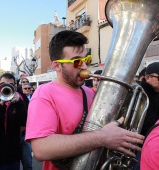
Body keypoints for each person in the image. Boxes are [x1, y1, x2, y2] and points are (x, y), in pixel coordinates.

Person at [25, 30, 144, 170]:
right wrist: (102, 138)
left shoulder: (90, 93)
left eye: (86, 60)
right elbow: (41, 149)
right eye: (77, 62)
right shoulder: (45, 93)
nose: (84, 66)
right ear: (57, 65)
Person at [0, 72, 27, 170]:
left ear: (14, 86)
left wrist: (19, 103)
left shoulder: (18, 102)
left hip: (13, 155)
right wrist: (1, 103)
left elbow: (24, 121)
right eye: (3, 85)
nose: (6, 87)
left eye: (10, 85)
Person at [133, 62, 159, 170]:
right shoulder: (139, 92)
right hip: (140, 144)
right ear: (148, 77)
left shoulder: (155, 92)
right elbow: (147, 122)